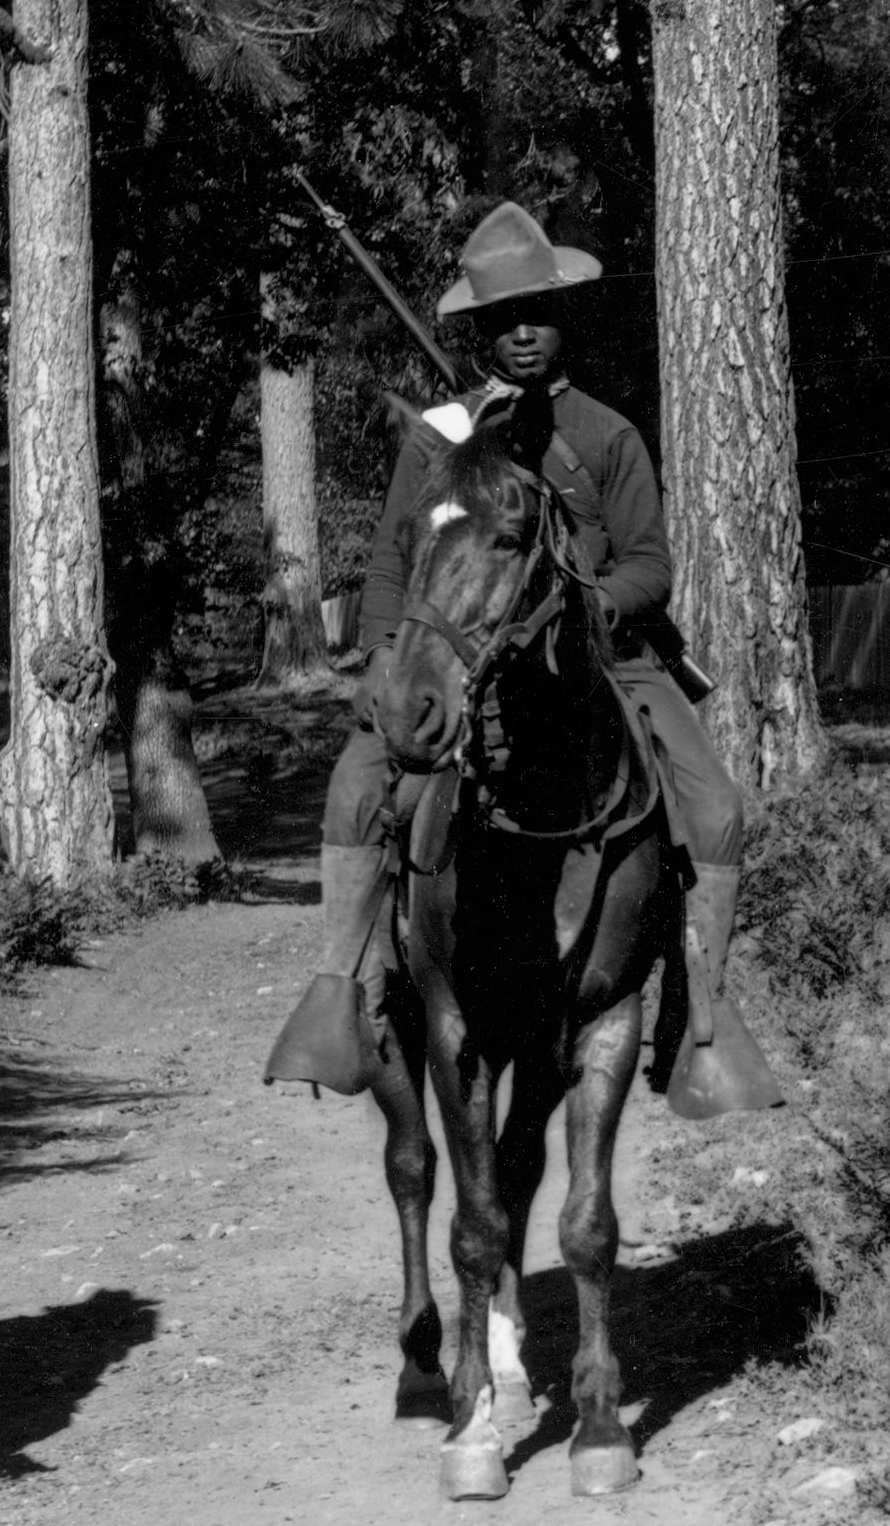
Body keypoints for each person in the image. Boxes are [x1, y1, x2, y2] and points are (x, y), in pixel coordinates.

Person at [261, 203, 782, 1120]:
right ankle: (346, 987)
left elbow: (650, 565)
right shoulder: (442, 436)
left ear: (561, 317)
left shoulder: (604, 433)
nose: (522, 334)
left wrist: (588, 606)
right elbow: (392, 558)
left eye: (536, 313)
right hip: (457, 657)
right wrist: (388, 658)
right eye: (503, 321)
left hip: (602, 662)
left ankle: (699, 1022)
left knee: (714, 807)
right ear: (481, 333)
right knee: (357, 787)